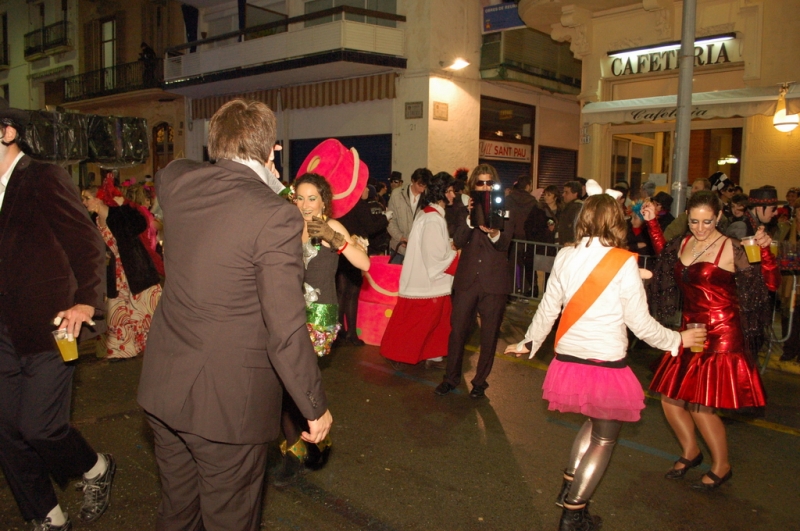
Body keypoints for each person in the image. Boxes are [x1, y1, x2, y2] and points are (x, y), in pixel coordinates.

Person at [137, 99, 332, 531]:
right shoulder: (275, 214)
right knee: (229, 520)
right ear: (272, 149)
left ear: (214, 145)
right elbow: (285, 329)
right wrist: (314, 405)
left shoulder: (178, 185)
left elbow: (173, 168)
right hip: (226, 408)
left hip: (163, 389)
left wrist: (246, 161)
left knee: (177, 512)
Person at [505, 189, 706, 531]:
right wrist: (677, 340)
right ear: (617, 222)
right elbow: (639, 323)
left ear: (583, 219)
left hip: (569, 358)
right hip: (604, 361)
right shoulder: (623, 261)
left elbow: (549, 306)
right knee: (604, 438)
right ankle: (573, 513)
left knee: (593, 422)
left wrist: (528, 342)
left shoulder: (565, 255)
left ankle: (570, 487)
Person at [0, 98, 115, 530]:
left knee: (39, 427)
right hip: (2, 331)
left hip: (53, 326)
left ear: (7, 132)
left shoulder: (43, 177)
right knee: (6, 429)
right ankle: (46, 515)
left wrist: (86, 302)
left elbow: (89, 246)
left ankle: (96, 467)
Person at [643, 191, 779, 490]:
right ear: (687, 217)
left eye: (707, 221)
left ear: (718, 217)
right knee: (670, 400)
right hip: (690, 331)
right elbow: (667, 258)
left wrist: (766, 252)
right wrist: (652, 224)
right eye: (694, 221)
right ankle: (691, 451)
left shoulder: (733, 247)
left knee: (701, 406)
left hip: (722, 333)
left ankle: (722, 466)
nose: (700, 228)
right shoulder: (684, 242)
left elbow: (768, 283)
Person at [273, 172, 369, 486]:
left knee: (293, 383)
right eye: (299, 198)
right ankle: (309, 445)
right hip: (288, 313)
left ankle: (299, 451)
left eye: (312, 198)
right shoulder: (289, 226)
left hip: (318, 316)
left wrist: (335, 238)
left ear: (323, 201)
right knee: (284, 384)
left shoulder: (332, 226)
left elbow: (364, 264)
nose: (305, 204)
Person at [435, 164, 514, 399]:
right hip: (467, 280)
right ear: (473, 186)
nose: (485, 187)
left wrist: (494, 232)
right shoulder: (462, 209)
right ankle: (450, 378)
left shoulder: (504, 208)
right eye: (481, 183)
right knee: (457, 331)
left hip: (494, 282)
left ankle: (480, 382)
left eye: (490, 183)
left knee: (489, 335)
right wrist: (470, 219)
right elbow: (457, 240)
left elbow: (505, 243)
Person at [381, 172, 459, 370]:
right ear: (440, 193)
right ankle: (399, 354)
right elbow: (434, 257)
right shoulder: (433, 219)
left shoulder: (429, 215)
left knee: (433, 324)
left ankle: (431, 355)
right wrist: (456, 255)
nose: (453, 195)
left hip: (426, 282)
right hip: (427, 283)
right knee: (418, 326)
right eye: (450, 191)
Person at [81, 180, 162, 360]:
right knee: (118, 314)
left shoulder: (119, 213)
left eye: (87, 198)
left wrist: (123, 205)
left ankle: (155, 348)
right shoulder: (93, 220)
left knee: (144, 312)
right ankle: (122, 351)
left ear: (99, 198)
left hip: (136, 270)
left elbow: (140, 224)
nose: (84, 202)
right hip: (114, 274)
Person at [335, 184, 388, 346]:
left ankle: (339, 331)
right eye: (365, 187)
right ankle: (351, 333)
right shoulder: (360, 205)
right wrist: (385, 218)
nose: (367, 190)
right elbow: (371, 227)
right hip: (356, 251)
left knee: (341, 292)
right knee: (352, 293)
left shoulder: (342, 205)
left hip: (341, 251)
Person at [387, 167, 431, 261]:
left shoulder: (428, 197)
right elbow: (390, 220)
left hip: (419, 249)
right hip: (398, 248)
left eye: (425, 186)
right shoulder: (397, 194)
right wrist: (400, 237)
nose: (422, 190)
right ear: (413, 180)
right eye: (420, 185)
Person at [557, 181, 583, 245]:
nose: (563, 195)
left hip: (570, 246)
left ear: (575, 194)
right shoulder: (569, 207)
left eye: (566, 192)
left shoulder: (576, 208)